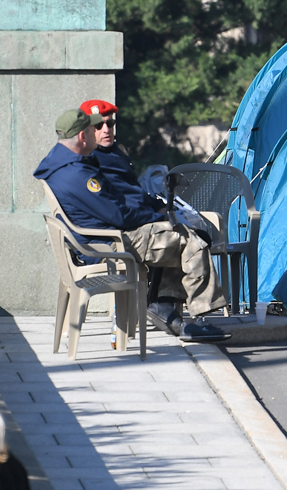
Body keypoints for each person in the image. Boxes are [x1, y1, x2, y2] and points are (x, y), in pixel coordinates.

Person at [33, 107, 230, 343]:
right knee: (190, 242)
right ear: (83, 136)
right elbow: (118, 215)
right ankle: (199, 319)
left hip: (104, 236)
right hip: (109, 242)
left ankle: (163, 306)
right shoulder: (78, 173)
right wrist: (156, 217)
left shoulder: (62, 162)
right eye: (93, 128)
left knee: (176, 234)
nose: (101, 132)